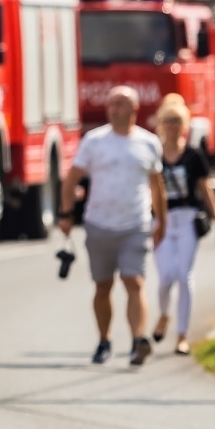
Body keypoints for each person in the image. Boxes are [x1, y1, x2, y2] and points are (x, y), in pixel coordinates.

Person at [58, 86, 166, 366]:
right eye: (111, 104)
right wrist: (66, 214)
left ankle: (137, 341)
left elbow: (157, 187)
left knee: (134, 281)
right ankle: (104, 340)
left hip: (136, 223)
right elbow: (71, 179)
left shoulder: (149, 142)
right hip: (99, 223)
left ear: (134, 109)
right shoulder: (94, 141)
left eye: (120, 103)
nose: (113, 109)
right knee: (103, 285)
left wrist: (161, 220)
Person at [151, 96, 215, 356]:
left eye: (177, 121)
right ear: (161, 124)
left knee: (184, 276)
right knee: (165, 276)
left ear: (184, 124)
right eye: (168, 121)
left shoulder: (194, 155)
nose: (172, 126)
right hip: (160, 220)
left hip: (186, 219)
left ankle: (182, 336)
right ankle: (164, 314)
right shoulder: (153, 153)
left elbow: (206, 191)